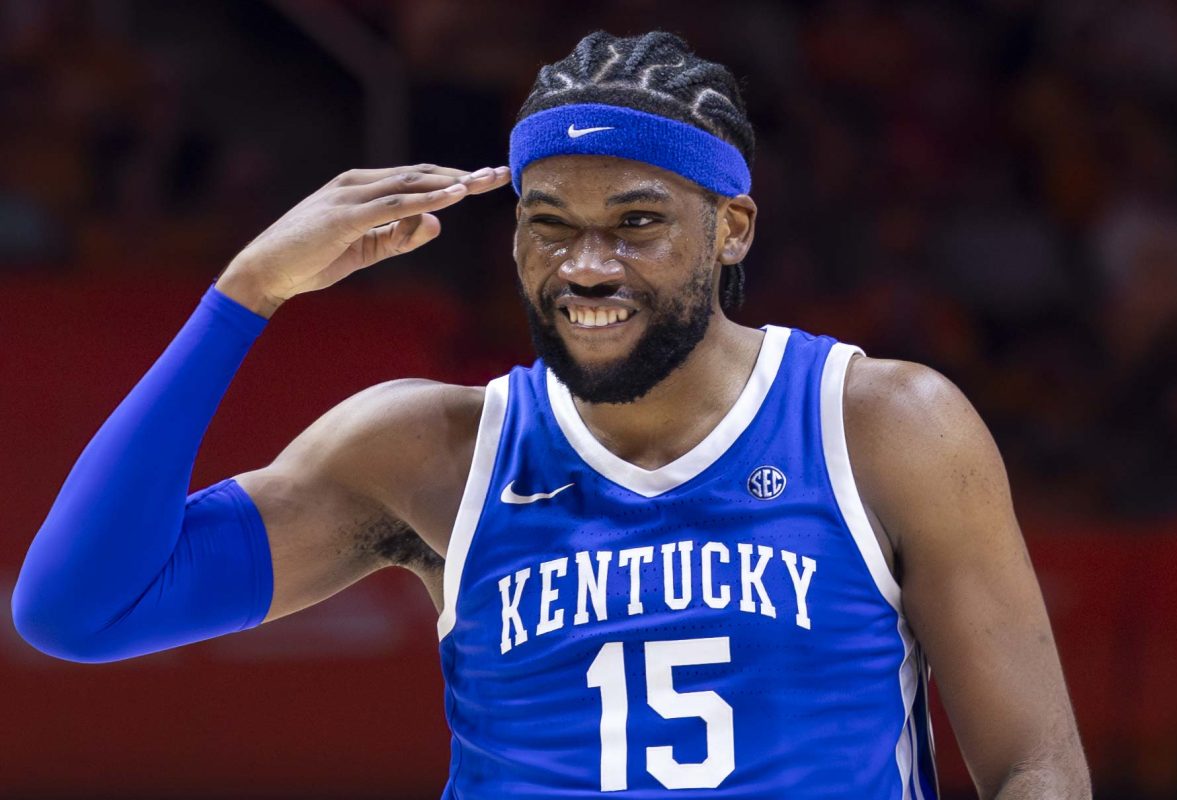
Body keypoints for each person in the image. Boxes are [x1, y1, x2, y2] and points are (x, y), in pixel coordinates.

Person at [12, 31, 1089, 799]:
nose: (586, 265)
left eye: (636, 222)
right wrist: (245, 294)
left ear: (734, 228)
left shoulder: (885, 425)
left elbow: (1033, 762)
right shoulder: (430, 449)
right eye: (549, 224)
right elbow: (82, 608)